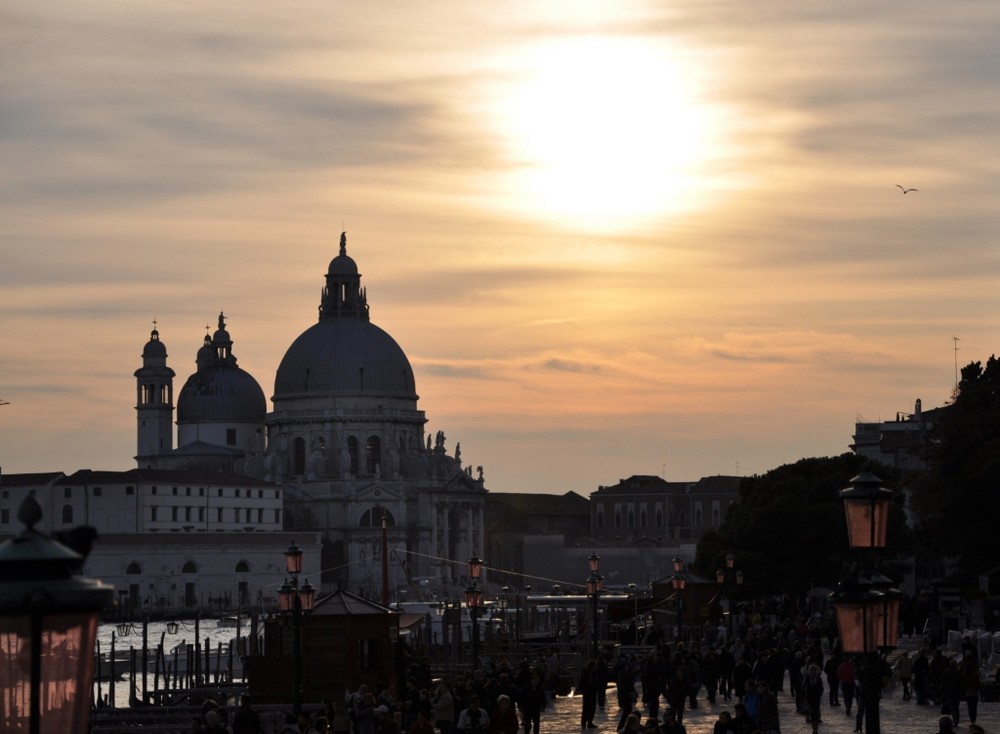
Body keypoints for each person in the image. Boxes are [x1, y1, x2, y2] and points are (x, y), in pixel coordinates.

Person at [803, 664, 824, 734]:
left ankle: (816, 730)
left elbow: (821, 689)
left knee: (816, 715)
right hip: (809, 698)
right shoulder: (807, 678)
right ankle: (813, 729)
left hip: (816, 699)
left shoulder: (819, 679)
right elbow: (803, 687)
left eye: (814, 670)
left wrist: (818, 694)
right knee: (812, 714)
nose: (813, 671)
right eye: (812, 670)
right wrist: (804, 696)